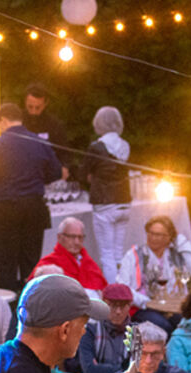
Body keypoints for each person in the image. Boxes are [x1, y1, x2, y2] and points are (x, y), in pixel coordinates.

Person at [0, 102, 64, 292]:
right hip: (34, 209)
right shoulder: (39, 142)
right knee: (31, 265)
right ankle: (31, 308)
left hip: (6, 210)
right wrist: (39, 178)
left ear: (3, 121)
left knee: (6, 266)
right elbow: (56, 172)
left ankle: (9, 310)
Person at [117, 214, 191, 330]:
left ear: (169, 238)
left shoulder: (174, 255)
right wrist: (146, 302)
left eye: (158, 235)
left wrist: (180, 240)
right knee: (163, 326)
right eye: (150, 233)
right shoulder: (134, 255)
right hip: (142, 307)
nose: (153, 238)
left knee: (189, 324)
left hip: (171, 306)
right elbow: (123, 286)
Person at [80, 106, 132, 272]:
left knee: (107, 254)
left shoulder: (97, 147)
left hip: (105, 204)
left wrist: (90, 178)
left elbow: (83, 173)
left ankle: (113, 294)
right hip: (124, 202)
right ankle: (124, 287)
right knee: (118, 253)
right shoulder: (125, 146)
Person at [76, 282, 136, 373]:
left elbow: (139, 372)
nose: (118, 311)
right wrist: (124, 369)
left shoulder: (137, 332)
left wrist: (102, 369)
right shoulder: (89, 330)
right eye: (112, 305)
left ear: (129, 306)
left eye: (123, 306)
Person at [35, 217, 107, 291]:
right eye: (72, 237)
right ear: (59, 237)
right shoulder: (48, 264)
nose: (77, 242)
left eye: (80, 237)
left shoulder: (90, 264)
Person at [20, 83, 72, 169]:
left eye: (38, 108)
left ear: (45, 103)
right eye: (30, 107)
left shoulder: (54, 124)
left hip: (47, 173)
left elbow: (64, 152)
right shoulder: (17, 121)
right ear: (25, 102)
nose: (33, 112)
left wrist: (64, 167)